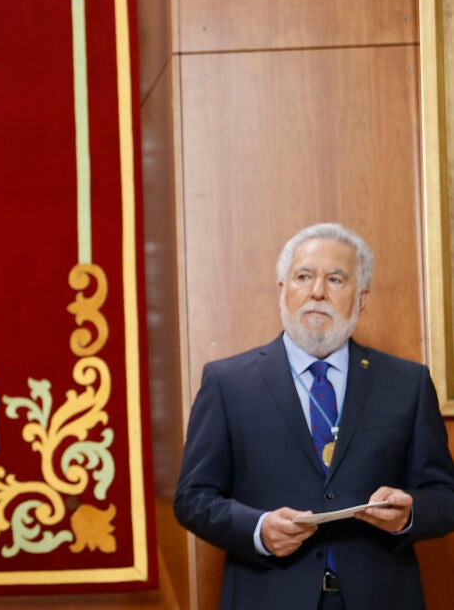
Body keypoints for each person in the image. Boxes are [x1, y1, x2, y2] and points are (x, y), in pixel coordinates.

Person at [174, 223, 454, 609]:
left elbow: (445, 497)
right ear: (282, 289)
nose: (317, 292)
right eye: (304, 276)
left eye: (335, 279)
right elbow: (192, 499)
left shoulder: (407, 383)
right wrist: (257, 529)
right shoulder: (227, 383)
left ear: (362, 297)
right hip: (268, 596)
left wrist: (408, 516)